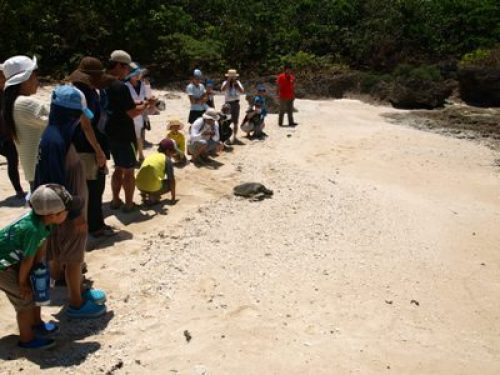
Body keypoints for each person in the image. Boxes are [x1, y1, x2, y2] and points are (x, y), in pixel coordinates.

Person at [34, 85, 107, 319]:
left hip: (65, 209)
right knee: (75, 255)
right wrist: (76, 217)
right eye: (77, 116)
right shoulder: (55, 141)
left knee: (58, 250)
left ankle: (64, 283)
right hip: (67, 211)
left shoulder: (55, 135)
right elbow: (55, 187)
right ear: (68, 115)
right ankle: (76, 303)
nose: (79, 121)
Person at [0, 184, 82, 349]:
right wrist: (22, 284)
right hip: (3, 266)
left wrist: (39, 265)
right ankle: (27, 339)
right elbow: (27, 260)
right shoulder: (32, 229)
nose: (68, 213)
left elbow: (40, 245)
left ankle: (36, 323)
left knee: (37, 286)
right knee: (24, 300)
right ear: (53, 215)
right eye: (66, 211)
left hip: (14, 260)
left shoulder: (44, 221)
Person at [69, 56, 115, 237]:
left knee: (86, 188)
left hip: (80, 145)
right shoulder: (84, 94)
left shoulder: (79, 91)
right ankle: (96, 227)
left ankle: (90, 224)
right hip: (88, 147)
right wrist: (99, 151)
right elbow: (86, 126)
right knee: (94, 188)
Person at [105, 50, 155, 212]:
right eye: (127, 68)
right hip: (124, 133)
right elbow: (132, 112)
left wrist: (143, 103)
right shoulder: (120, 86)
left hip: (110, 131)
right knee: (128, 170)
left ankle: (115, 200)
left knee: (117, 167)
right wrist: (147, 105)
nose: (128, 72)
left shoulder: (104, 83)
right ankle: (128, 203)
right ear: (120, 65)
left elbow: (125, 106)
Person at [1, 55, 48, 190]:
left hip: (33, 171)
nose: (37, 81)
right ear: (25, 79)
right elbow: (60, 120)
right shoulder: (26, 103)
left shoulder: (13, 103)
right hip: (44, 170)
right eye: (34, 77)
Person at [0, 62, 26, 198]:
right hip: (4, 135)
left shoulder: (7, 93)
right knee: (12, 159)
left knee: (13, 160)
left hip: (6, 136)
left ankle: (18, 190)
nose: (3, 79)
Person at [136, 138, 177, 206]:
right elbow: (172, 180)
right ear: (167, 151)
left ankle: (145, 194)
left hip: (139, 185)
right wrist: (173, 198)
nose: (172, 155)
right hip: (151, 186)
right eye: (172, 152)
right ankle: (153, 197)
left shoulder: (151, 156)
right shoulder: (167, 160)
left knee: (150, 176)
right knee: (170, 184)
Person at [124, 63, 147, 164]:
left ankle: (141, 155)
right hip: (129, 114)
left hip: (140, 113)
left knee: (139, 136)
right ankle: (133, 157)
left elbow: (146, 97)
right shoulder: (125, 86)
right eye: (135, 74)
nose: (138, 75)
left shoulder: (142, 84)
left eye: (139, 73)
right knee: (131, 137)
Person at [221, 69, 244, 144]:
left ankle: (235, 137)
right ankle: (227, 138)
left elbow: (242, 91)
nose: (232, 78)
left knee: (236, 122)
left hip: (236, 103)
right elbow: (222, 90)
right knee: (227, 121)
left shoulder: (238, 82)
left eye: (233, 77)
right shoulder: (225, 83)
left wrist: (236, 85)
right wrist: (228, 81)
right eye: (231, 77)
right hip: (228, 104)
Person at [276, 63, 297, 127]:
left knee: (290, 110)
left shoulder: (292, 77)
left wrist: (294, 95)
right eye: (287, 69)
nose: (288, 71)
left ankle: (291, 122)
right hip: (283, 96)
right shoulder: (280, 77)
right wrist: (277, 94)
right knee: (282, 110)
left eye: (290, 69)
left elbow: (293, 87)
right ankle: (280, 123)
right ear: (285, 70)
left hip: (290, 96)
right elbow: (278, 86)